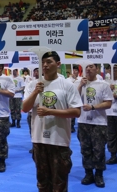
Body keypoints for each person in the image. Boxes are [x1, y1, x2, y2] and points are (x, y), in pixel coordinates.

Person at [21, 51, 82, 191]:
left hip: (59, 140)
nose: (45, 65)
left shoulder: (67, 85)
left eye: (49, 62)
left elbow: (77, 112)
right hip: (39, 139)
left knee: (59, 182)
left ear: (58, 64)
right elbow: (25, 108)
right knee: (42, 182)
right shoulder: (33, 84)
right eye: (43, 62)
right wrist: (36, 92)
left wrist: (50, 112)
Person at [76, 64, 112, 188]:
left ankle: (99, 174)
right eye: (87, 67)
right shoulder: (80, 83)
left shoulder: (103, 85)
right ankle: (88, 173)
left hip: (99, 122)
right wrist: (80, 85)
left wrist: (93, 107)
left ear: (97, 69)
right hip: (83, 122)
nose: (88, 69)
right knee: (85, 149)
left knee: (99, 150)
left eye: (91, 67)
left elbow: (108, 103)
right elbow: (73, 99)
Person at [23, 67, 39, 153]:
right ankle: (35, 146)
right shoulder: (30, 83)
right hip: (32, 111)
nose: (36, 73)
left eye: (37, 71)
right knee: (32, 130)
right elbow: (26, 99)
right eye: (35, 71)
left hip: (45, 112)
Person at [106, 64, 117, 165]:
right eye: (111, 69)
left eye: (116, 69)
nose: (113, 71)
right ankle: (113, 156)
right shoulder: (105, 83)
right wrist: (109, 90)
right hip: (109, 112)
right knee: (111, 134)